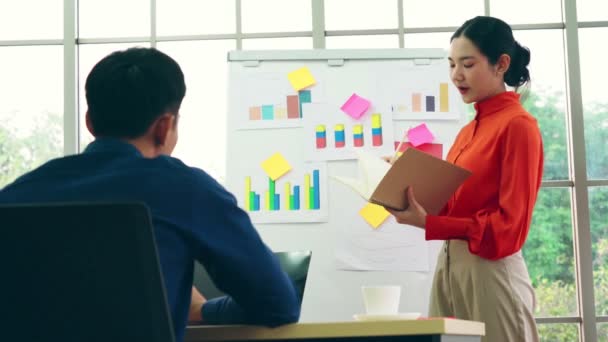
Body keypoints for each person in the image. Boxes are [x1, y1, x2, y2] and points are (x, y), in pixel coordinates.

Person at [0, 47, 300, 342]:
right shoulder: (185, 188)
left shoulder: (16, 195)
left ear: (90, 122)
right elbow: (277, 304)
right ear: (164, 127)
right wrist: (203, 311)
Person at [386, 16, 543, 342]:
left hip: (491, 272)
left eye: (468, 64)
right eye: (452, 64)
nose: (457, 75)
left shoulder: (518, 126)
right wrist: (406, 182)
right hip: (450, 268)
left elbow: (509, 229)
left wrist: (429, 224)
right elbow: (453, 207)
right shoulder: (467, 132)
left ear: (501, 64)